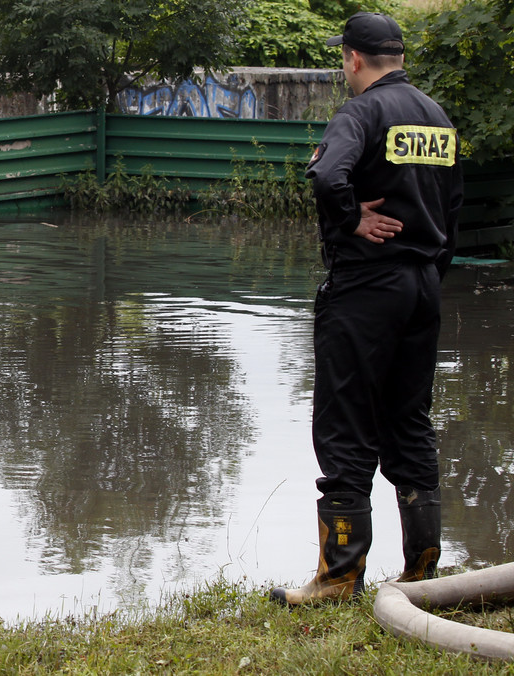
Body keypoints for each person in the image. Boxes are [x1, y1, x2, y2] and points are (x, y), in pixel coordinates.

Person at [271, 11, 465, 606]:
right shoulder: (437, 117)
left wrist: (354, 218)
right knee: (408, 421)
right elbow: (453, 209)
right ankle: (422, 570)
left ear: (353, 59)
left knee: (345, 424)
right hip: (423, 287)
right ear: (398, 55)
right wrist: (427, 271)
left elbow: (328, 174)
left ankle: (339, 578)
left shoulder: (361, 112)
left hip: (366, 289)